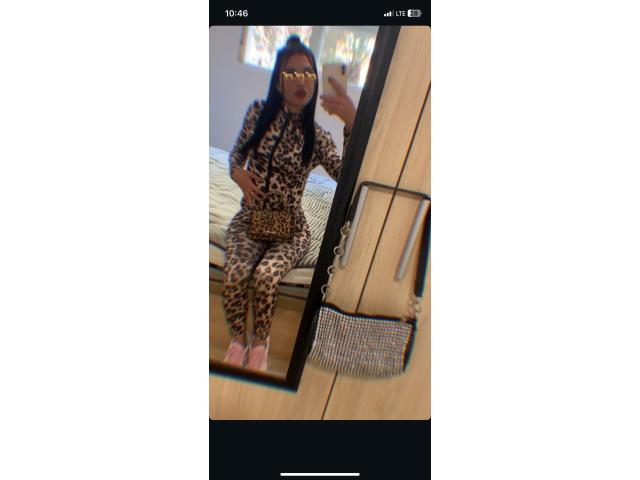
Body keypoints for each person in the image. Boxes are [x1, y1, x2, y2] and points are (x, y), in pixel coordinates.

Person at [221, 35, 356, 371]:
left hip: (289, 228)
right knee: (236, 274)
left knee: (265, 277)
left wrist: (352, 123)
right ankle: (237, 341)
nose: (301, 80)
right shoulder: (257, 113)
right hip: (251, 219)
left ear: (315, 79)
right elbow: (237, 153)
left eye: (307, 72)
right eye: (291, 72)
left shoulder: (317, 136)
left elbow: (346, 177)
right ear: (279, 80)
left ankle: (260, 345)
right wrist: (237, 173)